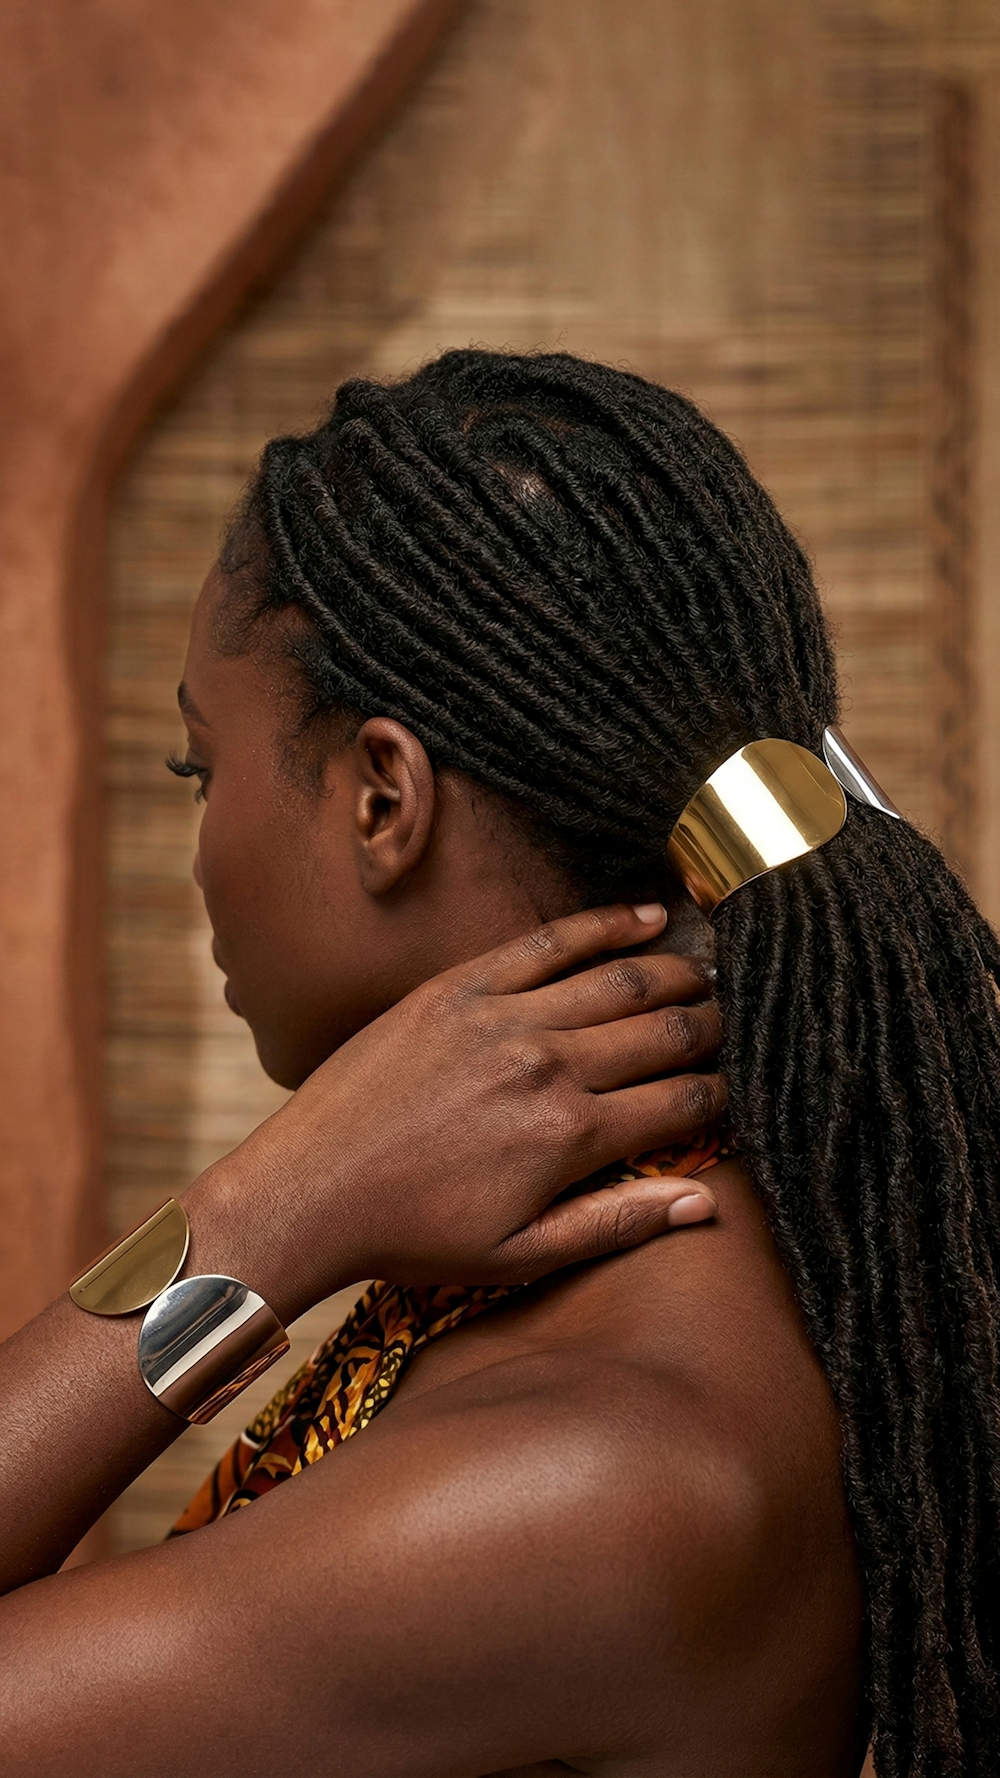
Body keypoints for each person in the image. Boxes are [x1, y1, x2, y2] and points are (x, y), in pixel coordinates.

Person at [1, 349, 996, 1778]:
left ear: (383, 796)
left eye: (198, 767)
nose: (200, 847)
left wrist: (272, 1207)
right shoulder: (642, 1278)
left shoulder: (583, 1471)